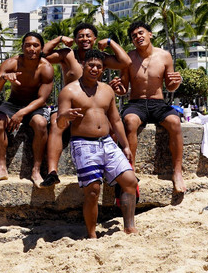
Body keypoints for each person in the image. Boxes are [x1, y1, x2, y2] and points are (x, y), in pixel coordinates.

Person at [58, 50, 139, 238]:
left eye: (99, 66)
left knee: (130, 181)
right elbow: (60, 124)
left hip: (107, 142)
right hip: (83, 143)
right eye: (91, 65)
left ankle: (129, 226)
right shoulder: (69, 91)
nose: (94, 69)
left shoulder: (106, 90)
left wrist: (125, 145)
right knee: (93, 190)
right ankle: (92, 234)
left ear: (103, 69)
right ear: (83, 65)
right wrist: (64, 117)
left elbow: (116, 120)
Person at [41, 23, 130, 187]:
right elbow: (42, 55)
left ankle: (109, 169)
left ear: (95, 39)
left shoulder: (100, 58)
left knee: (112, 126)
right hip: (69, 104)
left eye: (88, 36)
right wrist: (59, 39)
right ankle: (52, 172)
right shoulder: (68, 55)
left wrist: (110, 42)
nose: (85, 39)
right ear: (75, 39)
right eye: (80, 36)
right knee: (55, 123)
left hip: (94, 106)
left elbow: (125, 61)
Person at [110, 21, 185, 194]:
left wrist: (176, 83)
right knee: (129, 121)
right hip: (136, 103)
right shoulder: (128, 58)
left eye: (141, 33)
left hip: (158, 103)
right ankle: (130, 170)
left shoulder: (165, 56)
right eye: (134, 36)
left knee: (174, 121)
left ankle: (177, 172)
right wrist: (119, 89)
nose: (138, 37)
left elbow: (170, 86)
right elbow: (123, 89)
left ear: (150, 34)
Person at [0, 31, 54, 186]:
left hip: (35, 105)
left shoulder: (46, 68)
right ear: (22, 47)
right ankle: (2, 169)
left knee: (41, 124)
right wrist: (4, 78)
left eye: (35, 45)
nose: (31, 48)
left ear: (41, 48)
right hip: (13, 103)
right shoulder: (12, 63)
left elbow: (42, 99)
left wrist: (21, 113)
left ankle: (36, 170)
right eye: (28, 45)